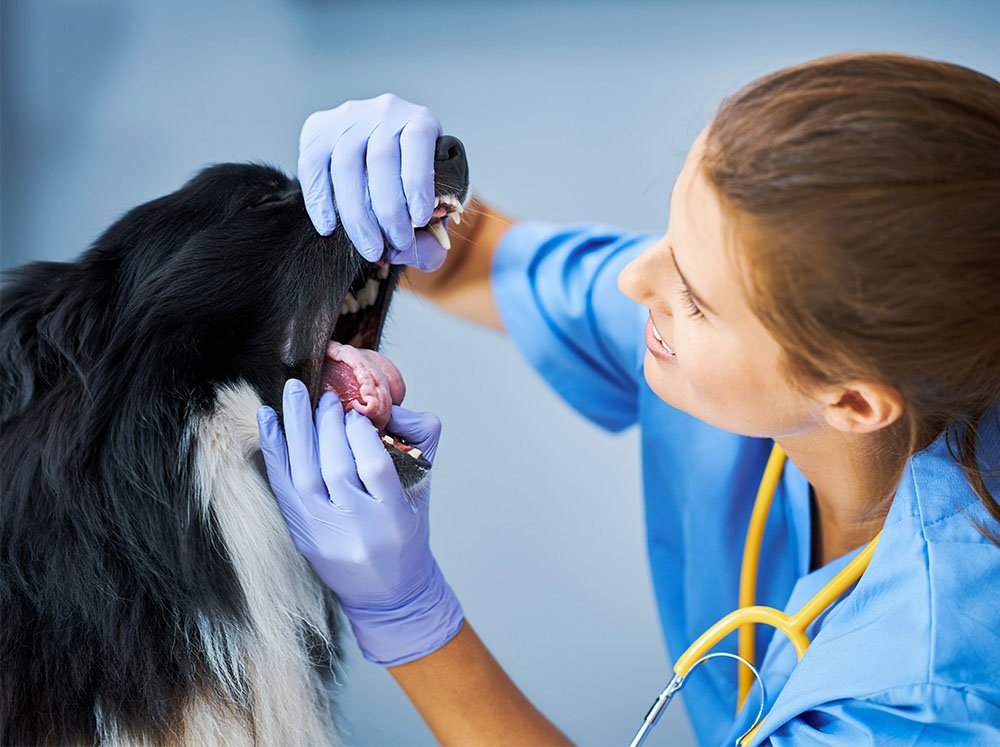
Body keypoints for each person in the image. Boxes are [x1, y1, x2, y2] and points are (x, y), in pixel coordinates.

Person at [256, 52, 1000, 744]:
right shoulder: (794, 330)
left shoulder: (928, 695)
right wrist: (404, 189)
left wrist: (410, 618)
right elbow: (469, 264)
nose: (632, 280)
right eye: (671, 234)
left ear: (856, 403)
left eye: (698, 299)